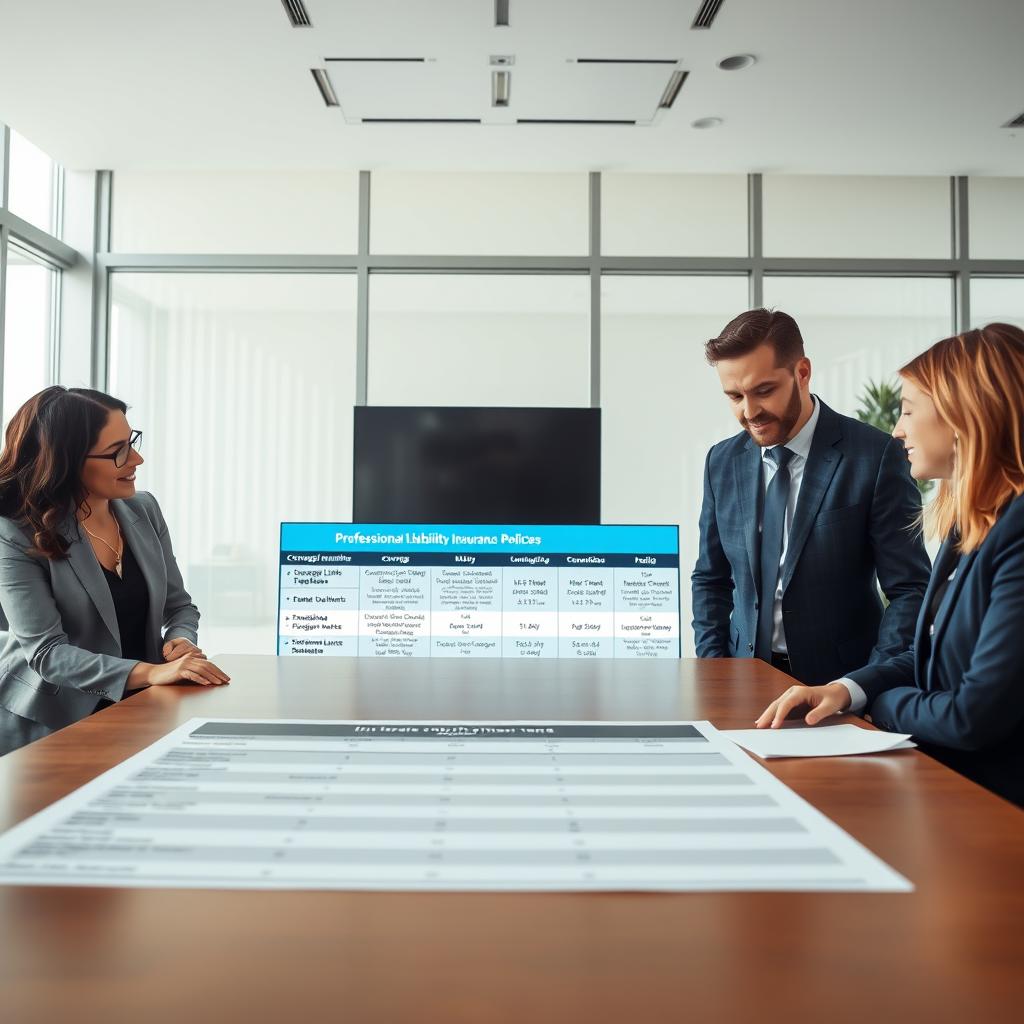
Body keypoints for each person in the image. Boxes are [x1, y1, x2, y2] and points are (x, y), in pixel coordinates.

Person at [755, 323, 1024, 806]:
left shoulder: (1017, 534)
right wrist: (844, 690)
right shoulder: (972, 526)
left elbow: (971, 714)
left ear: (965, 416)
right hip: (948, 788)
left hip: (994, 806)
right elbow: (931, 657)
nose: (897, 428)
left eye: (908, 410)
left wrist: (878, 705)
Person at [692, 308, 931, 684]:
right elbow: (710, 578)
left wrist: (869, 683)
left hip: (841, 683)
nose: (749, 411)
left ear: (801, 373)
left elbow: (909, 590)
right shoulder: (721, 461)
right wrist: (716, 670)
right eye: (735, 396)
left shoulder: (874, 455)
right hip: (740, 680)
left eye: (764, 391)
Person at [0, 386, 229, 756]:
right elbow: (47, 654)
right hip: (50, 722)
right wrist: (151, 672)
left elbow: (179, 606)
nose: (136, 458)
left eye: (131, 441)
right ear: (66, 462)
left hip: (141, 707)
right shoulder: (13, 532)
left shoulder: (143, 510)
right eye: (117, 451)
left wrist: (181, 642)